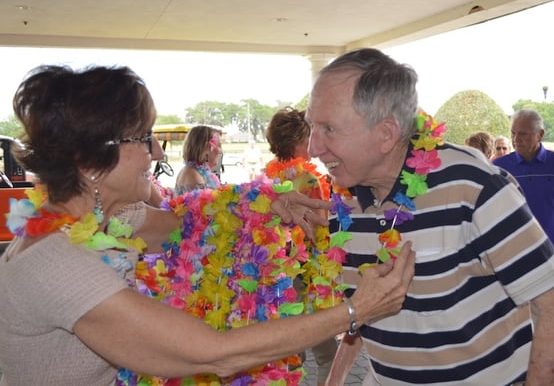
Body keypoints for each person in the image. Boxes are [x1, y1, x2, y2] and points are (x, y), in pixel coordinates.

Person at [0, 64, 416, 386]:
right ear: (91, 160)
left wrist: (267, 205)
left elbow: (184, 224)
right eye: (142, 138)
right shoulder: (56, 261)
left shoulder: (104, 222)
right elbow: (214, 354)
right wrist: (355, 309)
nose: (156, 151)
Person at [305, 48, 554, 385]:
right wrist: (333, 379)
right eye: (312, 127)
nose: (312, 147)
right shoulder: (345, 198)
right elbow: (368, 310)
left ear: (386, 133)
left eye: (329, 129)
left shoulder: (471, 184)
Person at [264, 107, 336, 386]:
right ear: (297, 140)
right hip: (305, 270)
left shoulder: (268, 177)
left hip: (277, 269)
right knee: (326, 348)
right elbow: (320, 228)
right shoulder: (309, 179)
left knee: (290, 349)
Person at [493, 109, 554, 277]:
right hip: (510, 260)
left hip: (553, 258)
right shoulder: (499, 168)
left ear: (540, 134)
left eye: (523, 134)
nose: (516, 140)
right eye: (513, 133)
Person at [174, 125, 222, 195]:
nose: (220, 151)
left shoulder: (195, 171)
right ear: (207, 148)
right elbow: (206, 205)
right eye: (219, 146)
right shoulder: (192, 175)